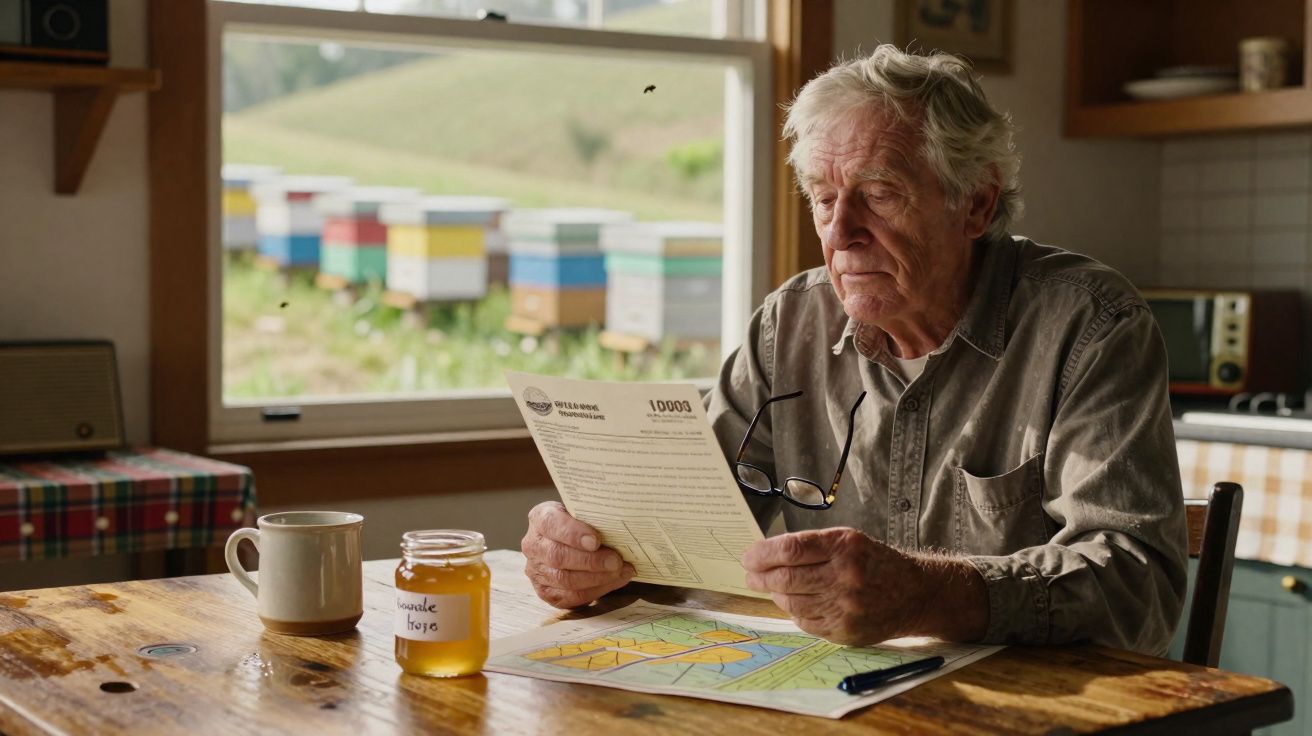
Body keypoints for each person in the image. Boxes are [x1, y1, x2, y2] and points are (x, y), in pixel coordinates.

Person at [520, 45, 1187, 654]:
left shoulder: (1091, 324)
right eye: (824, 196)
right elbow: (687, 527)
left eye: (879, 193)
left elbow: (1139, 586)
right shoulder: (790, 324)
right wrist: (586, 552)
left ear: (976, 205)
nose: (840, 232)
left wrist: (929, 593)